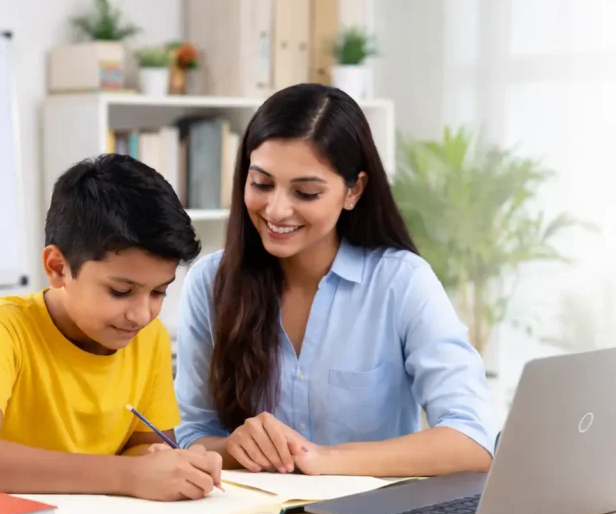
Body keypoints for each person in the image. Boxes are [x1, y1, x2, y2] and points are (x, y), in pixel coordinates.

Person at [173, 83, 497, 477]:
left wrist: (324, 459)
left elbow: (473, 438)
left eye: (305, 192)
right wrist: (230, 448)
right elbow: (192, 433)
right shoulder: (210, 283)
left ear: (354, 190)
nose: (276, 209)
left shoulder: (402, 283)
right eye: (261, 184)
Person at [0, 154, 222, 501]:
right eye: (121, 291)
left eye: (159, 291)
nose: (142, 315)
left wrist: (168, 465)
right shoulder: (0, 328)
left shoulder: (148, 338)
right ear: (57, 268)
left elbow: (144, 446)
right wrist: (129, 475)